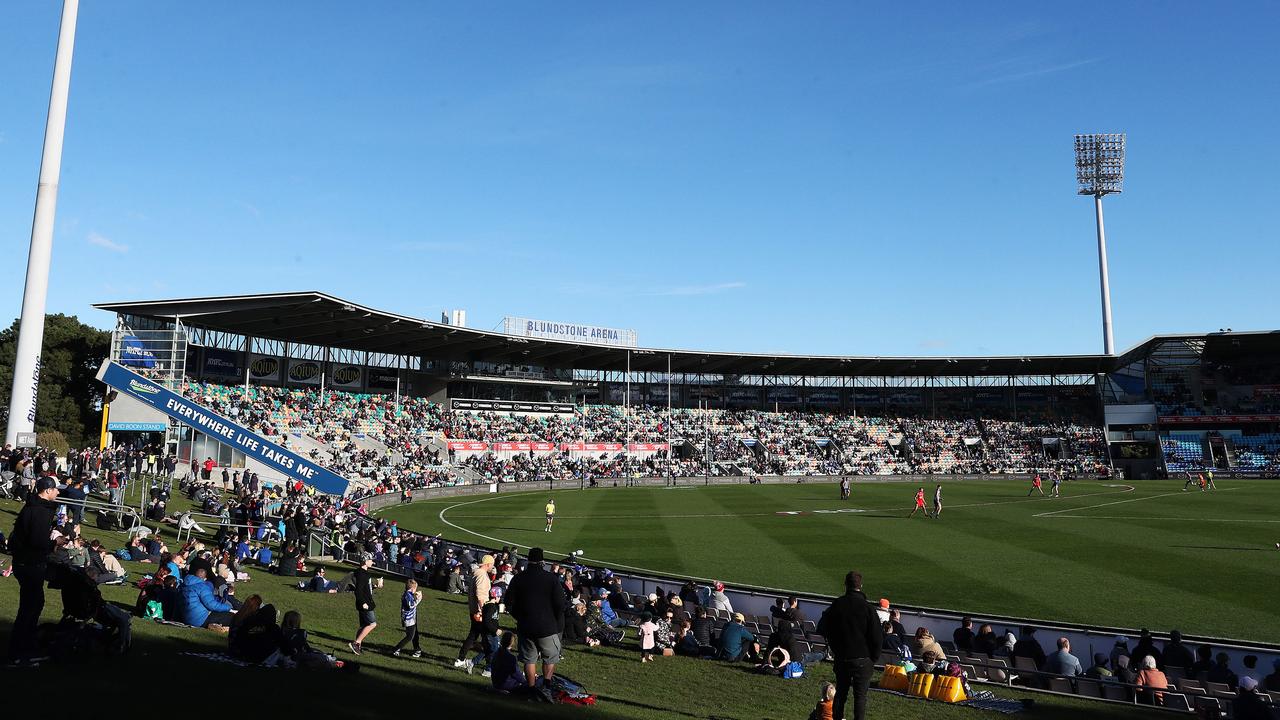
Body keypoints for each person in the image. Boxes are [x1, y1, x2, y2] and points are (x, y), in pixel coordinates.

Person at [6, 475, 59, 666]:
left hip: (24, 563)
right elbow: (37, 541)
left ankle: (23, 646)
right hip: (30, 564)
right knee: (30, 607)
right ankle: (19, 652)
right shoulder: (39, 511)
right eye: (55, 489)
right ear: (47, 491)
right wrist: (55, 543)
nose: (58, 492)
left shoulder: (31, 507)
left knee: (32, 605)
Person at [817, 570, 882, 720]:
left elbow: (824, 628)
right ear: (861, 586)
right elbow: (877, 637)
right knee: (860, 698)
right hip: (863, 659)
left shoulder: (837, 605)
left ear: (845, 584)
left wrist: (835, 648)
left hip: (843, 657)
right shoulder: (868, 608)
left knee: (841, 695)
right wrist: (873, 658)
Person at [503, 547, 566, 694]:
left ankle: (531, 689)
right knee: (550, 657)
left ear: (528, 560)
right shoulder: (551, 579)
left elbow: (509, 603)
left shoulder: (519, 578)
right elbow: (560, 604)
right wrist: (555, 621)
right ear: (542, 561)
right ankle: (547, 687)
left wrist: (520, 616)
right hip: (547, 626)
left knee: (529, 659)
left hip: (526, 625)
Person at [455, 553, 495, 671]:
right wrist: (483, 611)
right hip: (480, 611)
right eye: (492, 564)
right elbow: (480, 595)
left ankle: (461, 659)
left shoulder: (476, 573)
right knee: (487, 639)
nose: (493, 566)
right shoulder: (482, 576)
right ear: (487, 564)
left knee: (474, 636)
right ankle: (487, 665)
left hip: (474, 609)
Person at [348, 553, 377, 655]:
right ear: (365, 562)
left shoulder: (363, 573)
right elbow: (358, 590)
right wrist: (363, 602)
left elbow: (366, 588)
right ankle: (356, 643)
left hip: (365, 602)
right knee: (372, 624)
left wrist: (376, 586)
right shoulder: (362, 574)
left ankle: (357, 647)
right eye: (370, 560)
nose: (372, 562)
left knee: (363, 625)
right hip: (365, 603)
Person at [391, 578, 423, 658]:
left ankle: (417, 650)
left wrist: (415, 597)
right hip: (408, 619)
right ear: (412, 588)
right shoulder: (407, 596)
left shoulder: (409, 594)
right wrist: (418, 600)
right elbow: (410, 606)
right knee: (410, 636)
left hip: (412, 618)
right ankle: (396, 648)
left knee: (415, 634)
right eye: (415, 588)